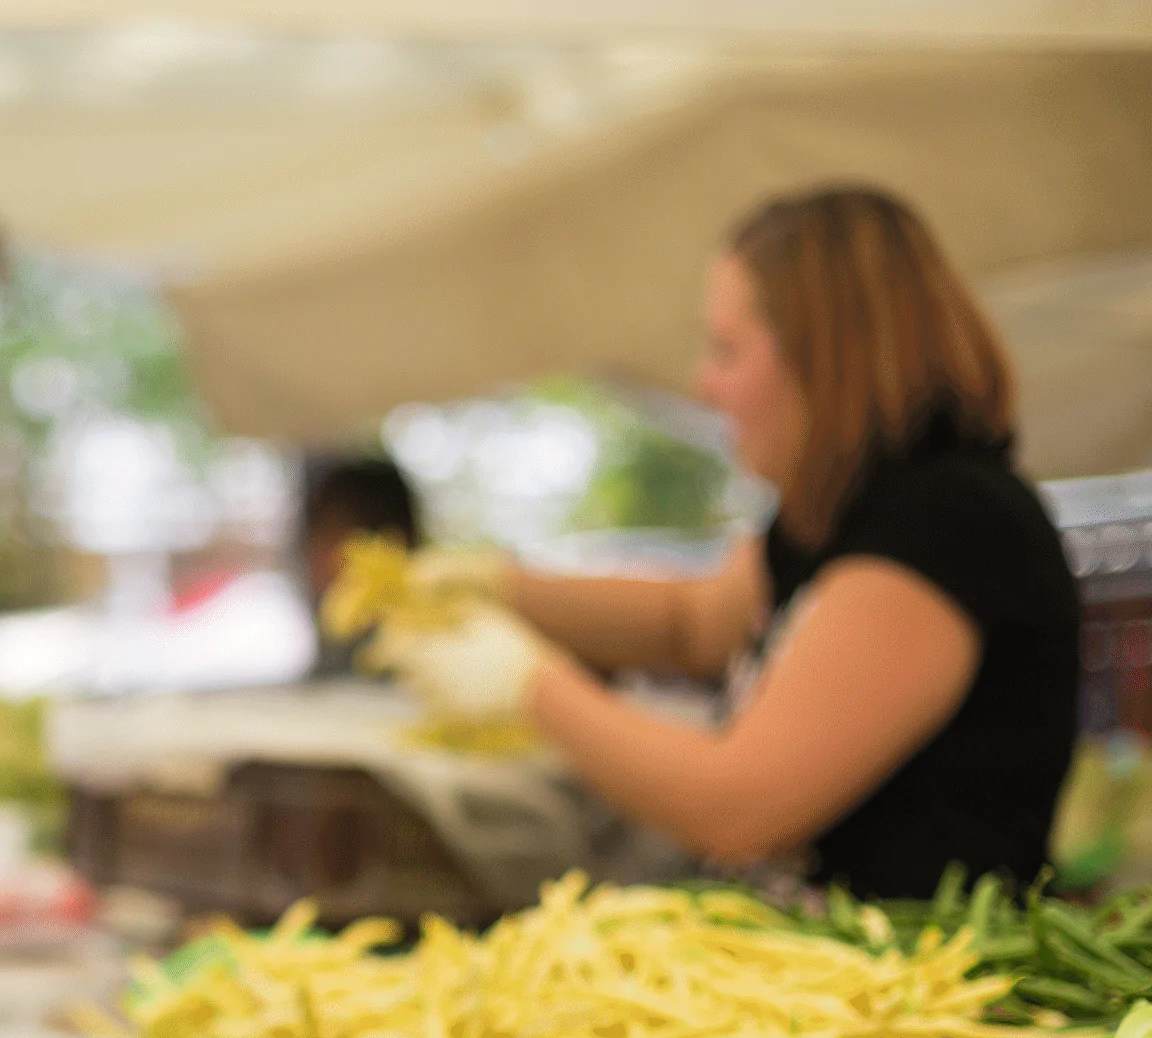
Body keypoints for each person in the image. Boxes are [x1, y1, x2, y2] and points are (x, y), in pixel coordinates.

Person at [388, 184, 1079, 900]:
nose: (703, 385)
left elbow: (738, 807)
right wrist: (498, 586)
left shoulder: (947, 525)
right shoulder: (832, 513)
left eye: (725, 349)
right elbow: (689, 621)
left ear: (825, 355)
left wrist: (530, 687)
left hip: (909, 982)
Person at [297, 454, 425, 679]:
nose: (316, 558)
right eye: (314, 539)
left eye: (329, 535)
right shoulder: (332, 642)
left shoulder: (417, 645)